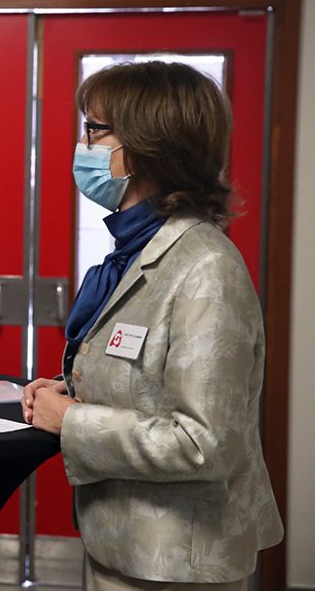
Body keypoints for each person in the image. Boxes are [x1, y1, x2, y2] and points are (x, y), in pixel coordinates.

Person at [21, 61, 283, 589]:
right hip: (123, 544)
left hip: (178, 563)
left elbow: (203, 442)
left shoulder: (206, 268)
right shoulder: (142, 251)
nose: (83, 144)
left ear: (146, 144)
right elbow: (150, 386)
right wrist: (71, 391)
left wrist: (70, 420)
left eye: (94, 130)